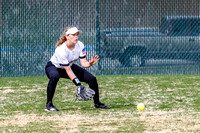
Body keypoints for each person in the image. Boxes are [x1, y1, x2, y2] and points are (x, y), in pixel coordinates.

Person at [45, 26, 110, 111]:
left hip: (69, 66)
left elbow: (84, 63)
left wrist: (90, 64)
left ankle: (97, 103)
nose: (76, 36)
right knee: (55, 76)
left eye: (77, 34)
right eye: (73, 35)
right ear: (67, 36)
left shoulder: (80, 45)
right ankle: (49, 105)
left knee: (92, 79)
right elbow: (68, 70)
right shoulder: (61, 50)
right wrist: (78, 85)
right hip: (54, 67)